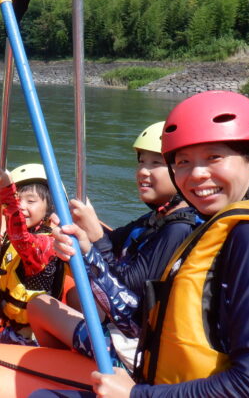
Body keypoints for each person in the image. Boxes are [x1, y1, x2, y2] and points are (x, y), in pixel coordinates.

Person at [36, 90, 249, 398]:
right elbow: (143, 324)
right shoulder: (212, 231)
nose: (196, 175)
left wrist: (138, 395)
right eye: (183, 162)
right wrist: (89, 255)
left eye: (213, 157)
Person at [27, 122, 199, 371]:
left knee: (39, 306)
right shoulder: (156, 219)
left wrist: (94, 235)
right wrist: (80, 223)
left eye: (155, 163)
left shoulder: (178, 229)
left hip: (138, 351)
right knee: (75, 295)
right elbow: (114, 242)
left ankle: (67, 372)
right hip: (133, 330)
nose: (143, 171)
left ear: (180, 170)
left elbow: (126, 291)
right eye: (141, 162)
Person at [0, 163, 66, 346]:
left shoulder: (48, 243)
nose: (22, 207)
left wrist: (8, 194)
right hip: (12, 330)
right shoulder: (9, 237)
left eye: (31, 201)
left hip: (36, 338)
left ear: (49, 208)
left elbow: (23, 241)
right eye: (18, 200)